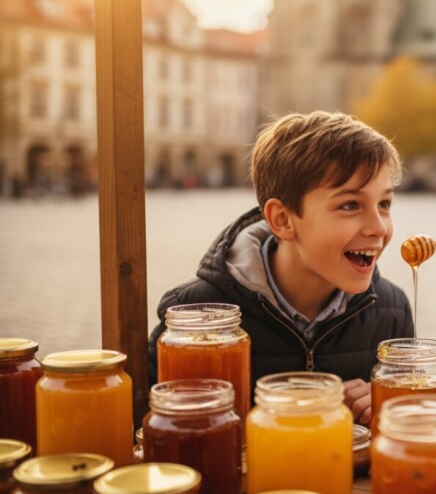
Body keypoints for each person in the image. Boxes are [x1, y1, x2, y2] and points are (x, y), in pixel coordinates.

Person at [148, 111, 414, 426]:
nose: (378, 227)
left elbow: (409, 431)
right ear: (283, 220)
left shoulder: (393, 311)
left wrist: (391, 407)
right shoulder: (191, 317)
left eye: (384, 204)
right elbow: (154, 432)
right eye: (350, 205)